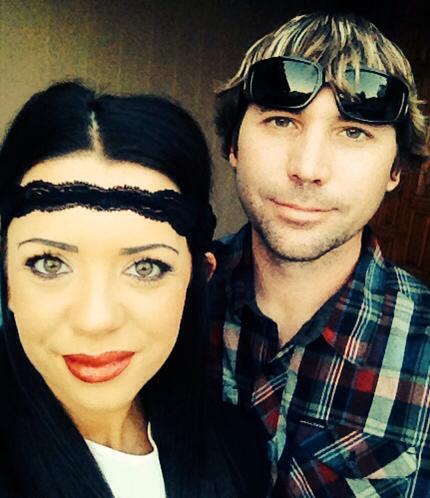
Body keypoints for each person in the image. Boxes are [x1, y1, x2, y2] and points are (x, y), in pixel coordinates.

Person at [0, 82, 270, 498]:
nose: (95, 320)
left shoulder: (238, 449)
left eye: (146, 267)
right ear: (6, 280)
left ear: (196, 279)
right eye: (49, 264)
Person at [210, 12, 430, 498]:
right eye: (281, 121)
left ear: (396, 169)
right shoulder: (166, 300)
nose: (308, 168)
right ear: (233, 146)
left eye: (353, 132)